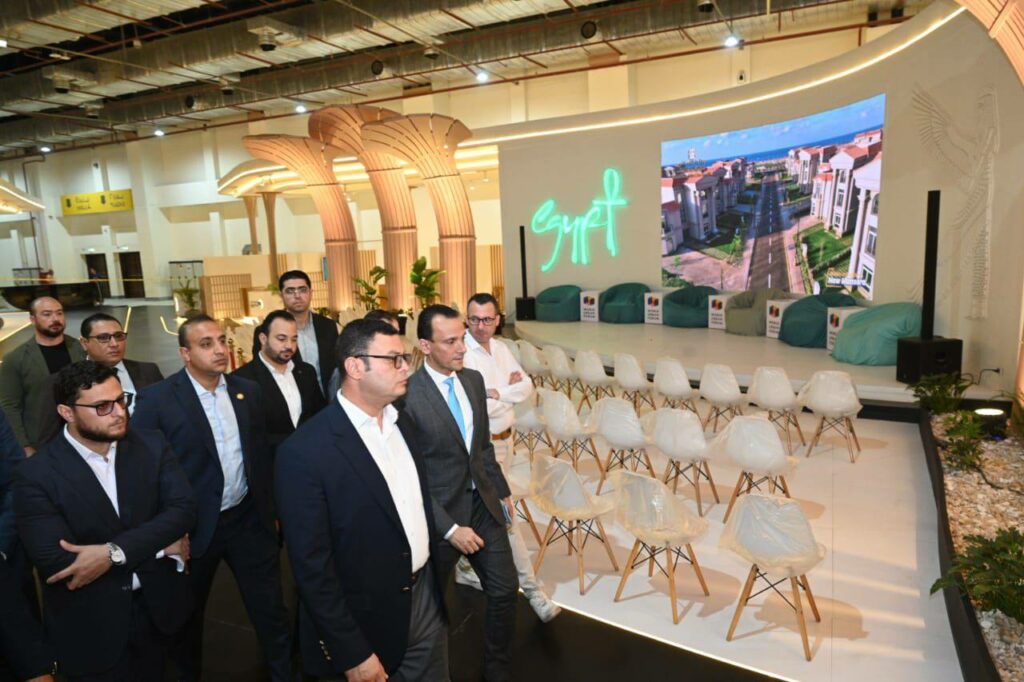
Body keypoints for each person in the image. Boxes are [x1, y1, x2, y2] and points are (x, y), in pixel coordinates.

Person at [277, 318, 449, 681]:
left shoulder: (403, 424)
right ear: (355, 367)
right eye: (394, 359)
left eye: (405, 358)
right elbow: (312, 568)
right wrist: (351, 651)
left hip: (425, 600)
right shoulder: (305, 452)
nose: (405, 368)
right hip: (365, 619)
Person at [132, 316, 293, 681]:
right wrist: (168, 531)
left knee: (271, 611)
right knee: (187, 621)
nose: (219, 350)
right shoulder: (158, 400)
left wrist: (270, 511)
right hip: (192, 529)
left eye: (221, 340)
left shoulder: (248, 391)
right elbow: (144, 472)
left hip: (247, 520)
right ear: (185, 353)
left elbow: (259, 457)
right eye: (206, 344)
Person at [14, 361, 195, 681]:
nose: (119, 412)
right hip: (93, 630)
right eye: (102, 407)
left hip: (162, 615)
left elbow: (183, 510)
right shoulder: (36, 473)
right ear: (67, 412)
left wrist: (113, 552)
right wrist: (158, 547)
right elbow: (59, 563)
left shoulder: (151, 444)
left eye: (121, 400)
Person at [400, 304, 518, 682]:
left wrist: (501, 490)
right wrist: (450, 529)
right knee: (432, 610)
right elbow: (410, 478)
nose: (462, 348)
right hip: (438, 516)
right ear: (425, 346)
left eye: (461, 338)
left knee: (505, 590)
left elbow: (481, 447)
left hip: (482, 503)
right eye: (450, 341)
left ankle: (496, 670)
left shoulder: (472, 381)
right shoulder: (407, 397)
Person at [460, 293, 560, 622]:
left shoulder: (501, 349)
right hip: (483, 447)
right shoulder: (464, 353)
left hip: (507, 441)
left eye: (487, 319)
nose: (480, 326)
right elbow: (479, 406)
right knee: (507, 515)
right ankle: (533, 591)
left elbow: (527, 387)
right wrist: (504, 393)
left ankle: (464, 567)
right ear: (466, 319)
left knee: (481, 510)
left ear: (498, 319)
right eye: (474, 319)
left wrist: (498, 392)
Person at [35, 312, 164, 446]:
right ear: (84, 343)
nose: (114, 344)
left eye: (119, 336)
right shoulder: (61, 381)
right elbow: (49, 437)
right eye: (103, 338)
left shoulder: (148, 371)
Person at [232, 310, 325, 464]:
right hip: (269, 467)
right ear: (263, 338)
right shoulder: (242, 380)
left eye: (294, 339)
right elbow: (247, 435)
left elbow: (320, 416)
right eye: (281, 339)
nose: (289, 346)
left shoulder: (306, 372)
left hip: (311, 462)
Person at [0, 296, 86, 454]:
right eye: (47, 314)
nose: (55, 319)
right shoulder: (15, 359)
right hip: (42, 442)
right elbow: (10, 406)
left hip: (81, 436)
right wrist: (24, 445)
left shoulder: (79, 348)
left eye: (59, 313)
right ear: (32, 319)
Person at [253, 270, 339, 396]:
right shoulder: (266, 331)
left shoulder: (328, 326)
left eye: (302, 290)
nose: (297, 296)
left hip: (328, 399)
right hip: (290, 400)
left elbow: (336, 366)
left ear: (311, 293)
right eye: (290, 291)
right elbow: (261, 372)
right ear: (281, 295)